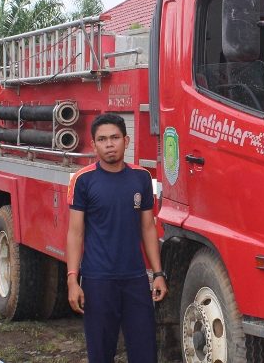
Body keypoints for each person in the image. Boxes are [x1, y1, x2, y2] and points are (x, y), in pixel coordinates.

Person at [66, 113, 168, 363]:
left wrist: (158, 274)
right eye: (102, 139)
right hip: (97, 281)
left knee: (145, 352)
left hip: (134, 279)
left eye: (114, 137)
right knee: (101, 353)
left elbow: (148, 228)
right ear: (93, 144)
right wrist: (72, 280)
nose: (109, 144)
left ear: (127, 140)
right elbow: (75, 233)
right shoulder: (83, 180)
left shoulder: (141, 178)